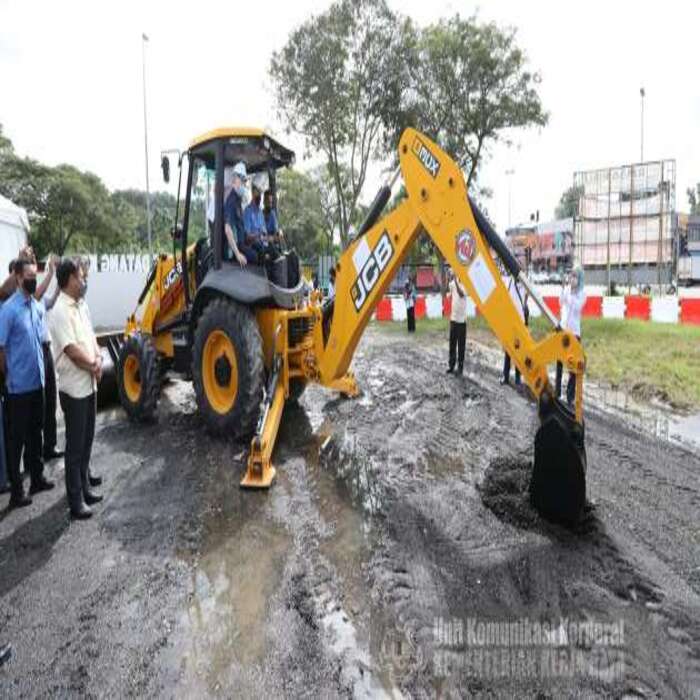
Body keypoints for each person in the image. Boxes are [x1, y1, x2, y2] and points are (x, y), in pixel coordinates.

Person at [50, 259, 103, 520]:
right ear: (70, 279)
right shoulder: (60, 310)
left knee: (87, 441)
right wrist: (92, 365)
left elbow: (91, 337)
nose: (84, 281)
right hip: (74, 389)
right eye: (81, 277)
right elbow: (71, 350)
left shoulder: (81, 306)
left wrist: (99, 359)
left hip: (89, 384)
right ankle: (75, 500)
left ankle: (84, 487)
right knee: (74, 446)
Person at [0, 258, 55, 508]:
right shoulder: (8, 310)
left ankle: (37, 478)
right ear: (19, 278)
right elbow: (1, 349)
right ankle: (17, 492)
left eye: (36, 275)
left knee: (36, 432)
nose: (33, 279)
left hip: (37, 383)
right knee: (17, 439)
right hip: (18, 387)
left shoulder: (36, 306)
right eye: (30, 276)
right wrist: (8, 377)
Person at [556, 267, 586, 406]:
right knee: (559, 362)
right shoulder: (567, 289)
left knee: (573, 366)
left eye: (575, 277)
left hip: (574, 332)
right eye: (571, 276)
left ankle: (570, 397)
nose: (572, 279)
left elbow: (577, 307)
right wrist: (563, 289)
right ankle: (557, 392)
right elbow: (561, 302)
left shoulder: (582, 293)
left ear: (579, 279)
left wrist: (571, 294)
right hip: (563, 329)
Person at [501, 276, 529, 386]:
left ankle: (518, 378)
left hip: (520, 322)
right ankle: (506, 376)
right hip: (510, 321)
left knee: (519, 351)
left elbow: (526, 297)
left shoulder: (524, 283)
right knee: (508, 350)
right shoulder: (508, 281)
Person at [223, 163, 252, 267]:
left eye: (245, 181)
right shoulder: (231, 201)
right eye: (243, 180)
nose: (244, 184)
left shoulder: (239, 200)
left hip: (242, 244)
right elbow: (228, 229)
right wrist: (238, 254)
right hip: (235, 250)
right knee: (256, 257)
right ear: (235, 179)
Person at [446, 270, 467, 375]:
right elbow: (448, 294)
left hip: (462, 321)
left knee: (461, 346)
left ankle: (460, 367)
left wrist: (455, 282)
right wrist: (449, 279)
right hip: (453, 319)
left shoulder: (466, 284)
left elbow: (461, 294)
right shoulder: (453, 284)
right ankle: (451, 365)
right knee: (452, 344)